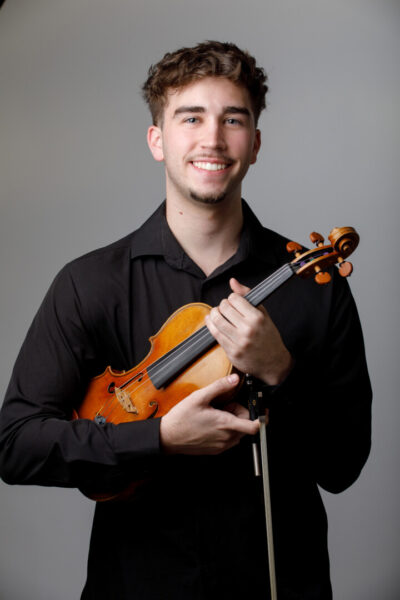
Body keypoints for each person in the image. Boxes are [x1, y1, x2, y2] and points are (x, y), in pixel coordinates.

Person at [0, 41, 372, 599]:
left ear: (256, 143)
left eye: (233, 120)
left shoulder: (316, 285)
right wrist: (157, 439)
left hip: (278, 583)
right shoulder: (90, 283)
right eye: (190, 117)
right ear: (158, 139)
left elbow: (344, 466)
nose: (213, 140)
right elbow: (16, 444)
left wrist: (281, 372)